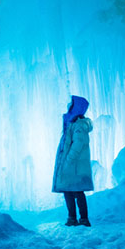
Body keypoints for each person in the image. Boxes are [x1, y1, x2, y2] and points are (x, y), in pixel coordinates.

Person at [52, 95, 93, 227]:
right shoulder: (73, 124)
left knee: (77, 191)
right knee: (68, 190)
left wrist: (69, 159)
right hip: (71, 164)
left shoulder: (79, 125)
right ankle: (72, 218)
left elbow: (78, 144)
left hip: (74, 165)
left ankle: (83, 218)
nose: (69, 106)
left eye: (71, 104)